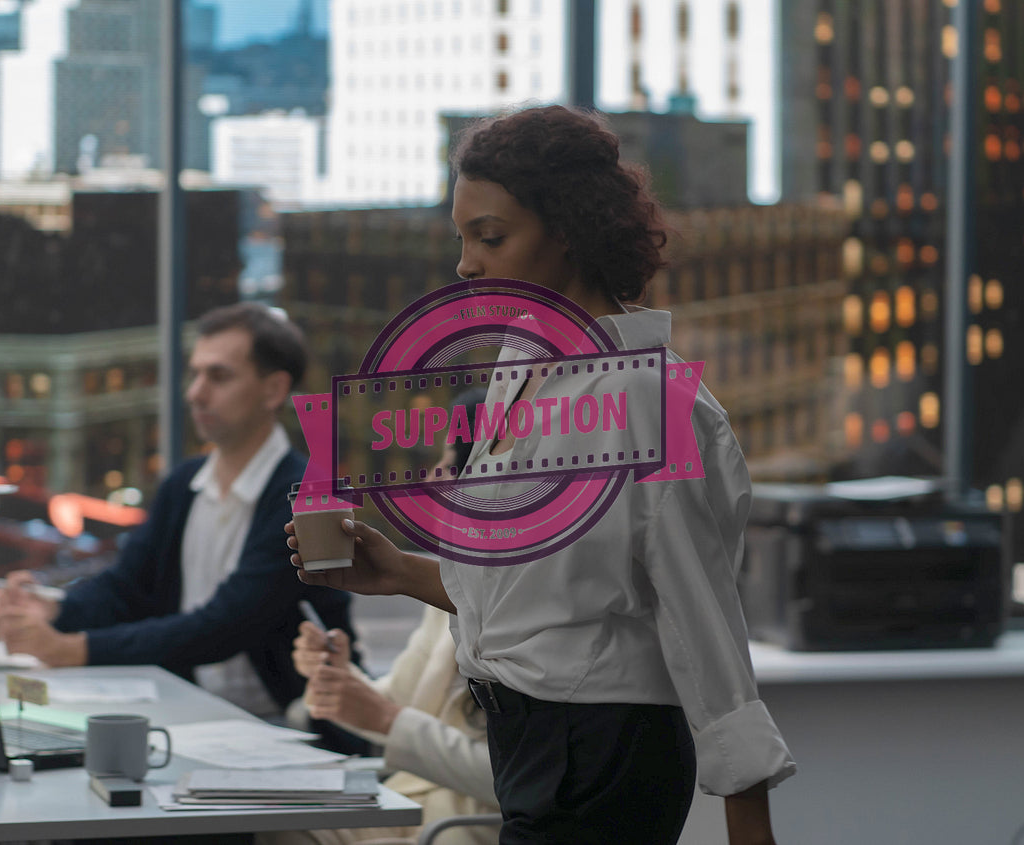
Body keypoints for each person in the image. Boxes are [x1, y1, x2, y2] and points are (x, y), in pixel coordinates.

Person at [288, 105, 794, 845]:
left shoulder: (648, 401)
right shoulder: (520, 365)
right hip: (524, 742)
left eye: (489, 236)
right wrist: (400, 572)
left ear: (569, 229)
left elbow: (704, 621)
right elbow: (527, 592)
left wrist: (750, 827)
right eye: (461, 237)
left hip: (602, 753)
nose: (466, 263)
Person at [0, 302, 359, 723]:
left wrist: (73, 649)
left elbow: (223, 627)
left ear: (273, 390)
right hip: (188, 709)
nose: (195, 392)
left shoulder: (319, 495)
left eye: (218, 376)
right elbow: (127, 587)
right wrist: (52, 608)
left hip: (290, 725)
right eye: (196, 373)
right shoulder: (183, 484)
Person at [264, 390, 499, 845]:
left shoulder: (513, 597)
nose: (432, 475)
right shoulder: (450, 580)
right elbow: (399, 701)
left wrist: (388, 720)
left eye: (449, 459)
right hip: (415, 805)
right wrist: (336, 676)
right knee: (272, 821)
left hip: (465, 826)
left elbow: (526, 779)